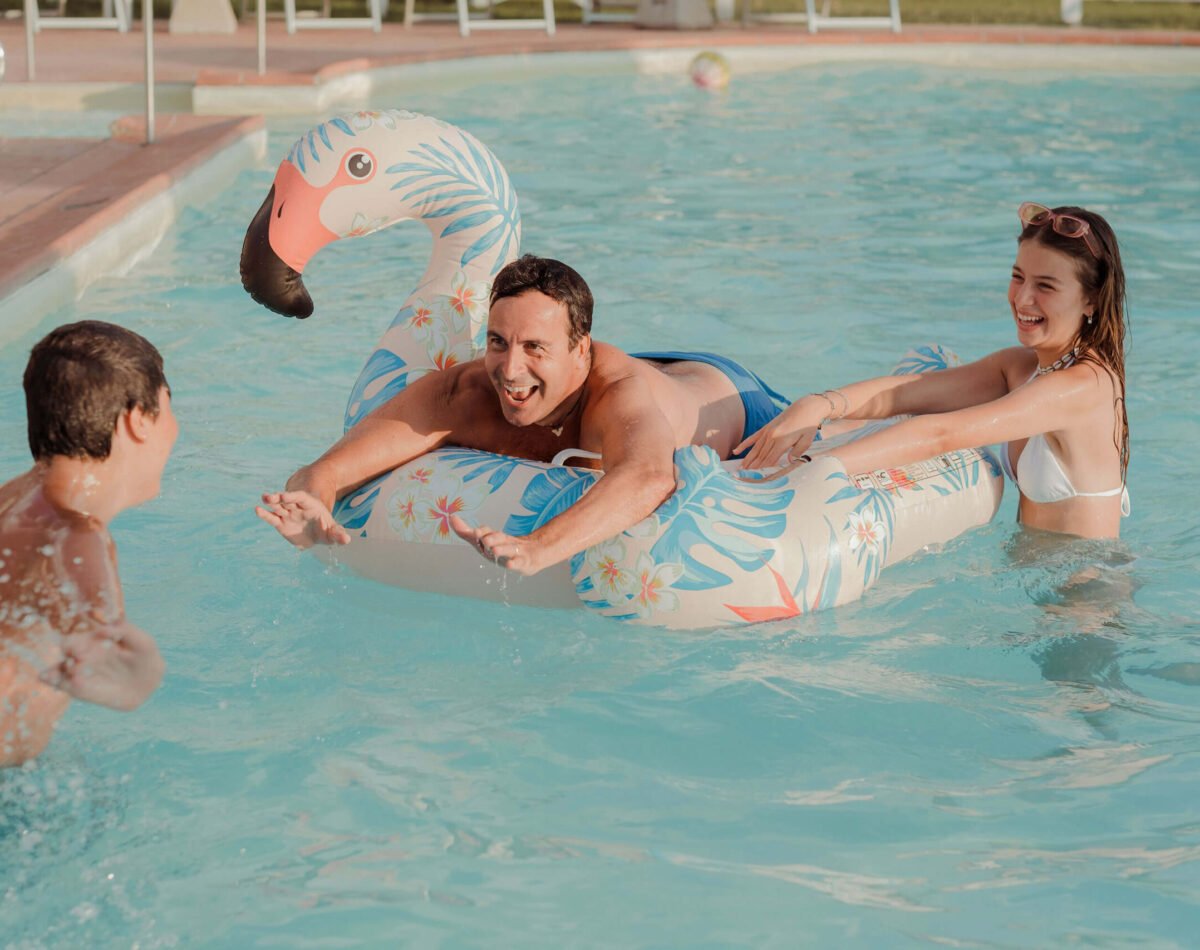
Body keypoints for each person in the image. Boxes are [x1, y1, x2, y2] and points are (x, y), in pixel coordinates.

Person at [257, 255, 790, 574]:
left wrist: (538, 548)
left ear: (582, 349)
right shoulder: (467, 394)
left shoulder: (616, 394)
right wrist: (311, 504)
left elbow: (650, 475)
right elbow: (326, 470)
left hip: (729, 397)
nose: (509, 371)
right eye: (497, 342)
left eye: (534, 346)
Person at [739, 202, 1130, 540]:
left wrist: (812, 469)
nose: (1022, 298)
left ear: (1091, 300)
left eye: (1045, 285)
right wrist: (820, 405)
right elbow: (908, 393)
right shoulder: (1022, 367)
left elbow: (942, 434)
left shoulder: (1084, 386)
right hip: (1033, 599)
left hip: (1085, 605)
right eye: (1018, 276)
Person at [1, 321, 174, 768]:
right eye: (170, 408)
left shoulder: (13, 499)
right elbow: (108, 670)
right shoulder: (77, 538)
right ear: (139, 420)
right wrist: (143, 679)